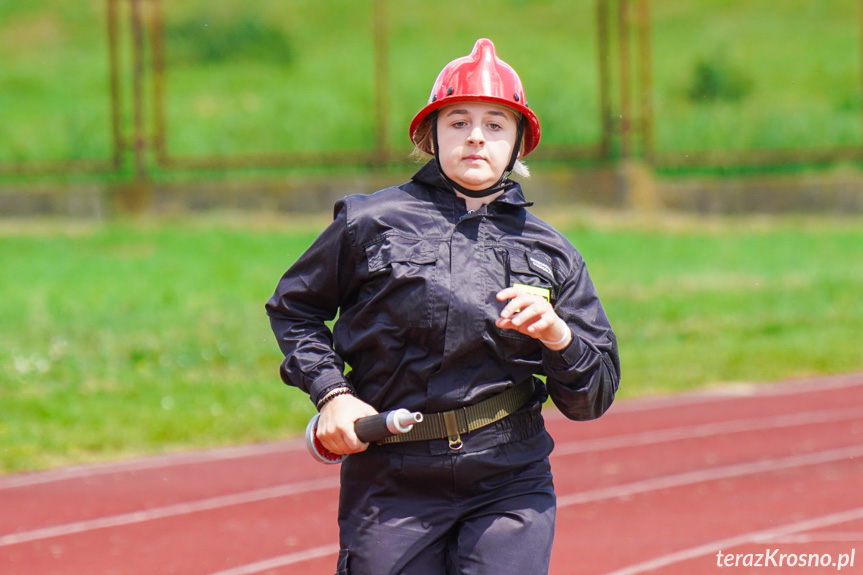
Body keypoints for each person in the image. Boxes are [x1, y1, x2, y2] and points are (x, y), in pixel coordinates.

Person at [266, 38, 621, 575]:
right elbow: (295, 309)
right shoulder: (368, 222)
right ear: (429, 135)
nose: (476, 136)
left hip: (510, 477)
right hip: (392, 475)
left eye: (496, 124)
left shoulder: (552, 251)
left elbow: (593, 396)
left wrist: (558, 337)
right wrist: (332, 394)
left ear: (519, 144)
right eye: (458, 121)